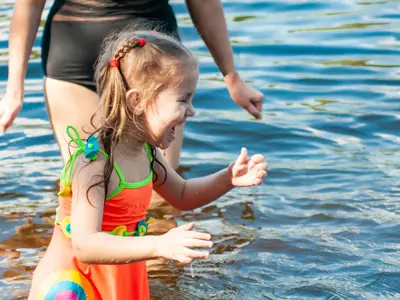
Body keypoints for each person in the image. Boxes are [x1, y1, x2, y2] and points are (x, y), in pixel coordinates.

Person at [27, 30, 268, 299]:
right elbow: (85, 244)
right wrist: (159, 245)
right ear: (136, 101)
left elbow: (183, 195)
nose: (192, 111)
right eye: (182, 99)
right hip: (73, 287)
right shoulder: (94, 165)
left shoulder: (148, 154)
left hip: (116, 280)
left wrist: (227, 179)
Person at [0, 0, 264, 170]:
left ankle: (155, 256)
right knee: (87, 185)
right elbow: (29, 5)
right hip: (74, 62)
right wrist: (14, 89)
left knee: (160, 196)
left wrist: (232, 77)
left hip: (157, 66)